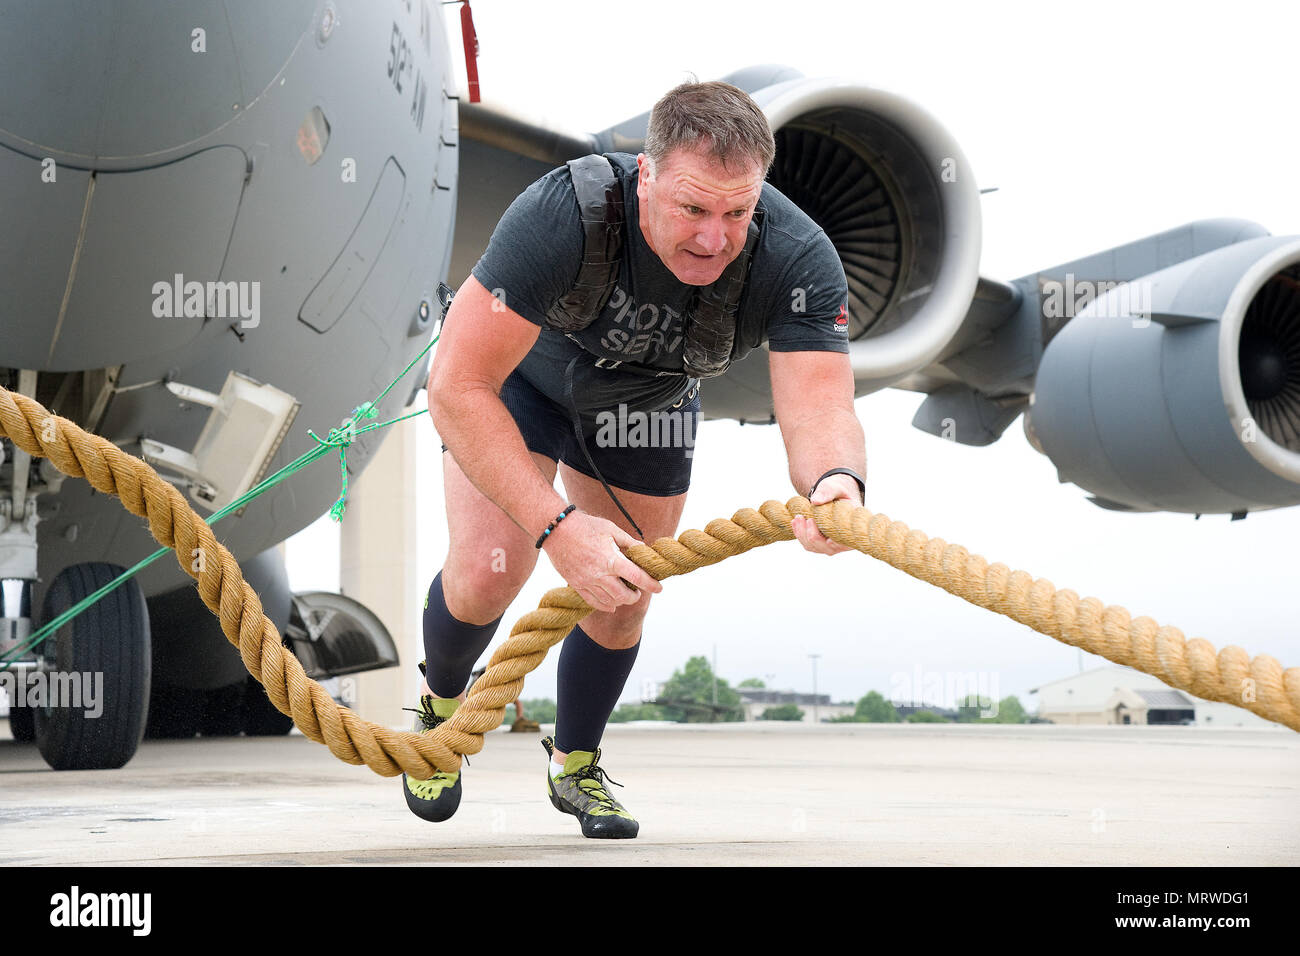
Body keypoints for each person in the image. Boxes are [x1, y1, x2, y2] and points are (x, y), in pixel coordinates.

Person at [402, 80, 866, 839]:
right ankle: (442, 709)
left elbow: (820, 407)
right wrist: (556, 527)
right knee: (491, 565)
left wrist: (836, 482)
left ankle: (576, 764)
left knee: (623, 595)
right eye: (692, 208)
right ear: (645, 177)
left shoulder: (798, 256)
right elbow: (455, 386)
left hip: (644, 410)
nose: (715, 238)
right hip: (520, 387)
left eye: (736, 213)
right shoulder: (562, 216)